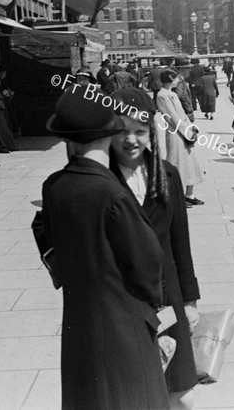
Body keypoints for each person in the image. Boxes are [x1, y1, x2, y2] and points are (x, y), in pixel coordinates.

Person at [42, 84, 170, 408]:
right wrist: (157, 307)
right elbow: (148, 260)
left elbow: (48, 239)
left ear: (67, 137)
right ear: (107, 133)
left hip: (78, 329)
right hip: (124, 330)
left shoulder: (53, 186)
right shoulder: (112, 194)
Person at [109, 88, 200, 409]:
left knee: (180, 392)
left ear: (152, 133)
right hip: (125, 302)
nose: (131, 140)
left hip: (167, 297)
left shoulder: (167, 175)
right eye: (122, 131)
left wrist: (190, 299)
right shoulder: (102, 180)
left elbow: (180, 241)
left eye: (140, 131)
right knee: (135, 391)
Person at [156, 67, 204, 207]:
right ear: (170, 79)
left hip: (184, 131)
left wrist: (191, 127)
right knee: (178, 164)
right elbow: (173, 117)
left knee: (190, 163)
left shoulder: (172, 94)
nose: (179, 80)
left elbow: (182, 114)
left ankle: (189, 194)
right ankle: (178, 197)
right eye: (176, 78)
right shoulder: (162, 95)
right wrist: (188, 133)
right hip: (176, 133)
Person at [174, 57, 195, 123]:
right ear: (181, 69)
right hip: (184, 114)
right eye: (188, 68)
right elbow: (181, 95)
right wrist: (189, 109)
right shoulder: (179, 81)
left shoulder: (181, 79)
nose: (190, 70)